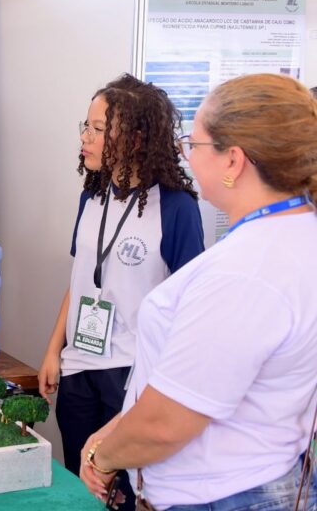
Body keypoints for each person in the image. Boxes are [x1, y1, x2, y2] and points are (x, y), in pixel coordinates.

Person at [80, 73, 317, 510]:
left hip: (226, 495)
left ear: (234, 161)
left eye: (196, 143)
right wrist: (116, 431)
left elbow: (166, 425)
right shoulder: (293, 234)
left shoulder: (247, 272)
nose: (186, 155)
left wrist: (103, 456)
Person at [37, 74, 204, 508]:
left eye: (98, 128)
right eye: (85, 126)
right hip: (79, 368)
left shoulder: (177, 208)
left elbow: (189, 309)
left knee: (123, 494)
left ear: (134, 137)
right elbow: (80, 280)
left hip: (132, 373)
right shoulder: (92, 196)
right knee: (80, 486)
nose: (85, 138)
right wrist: (54, 349)